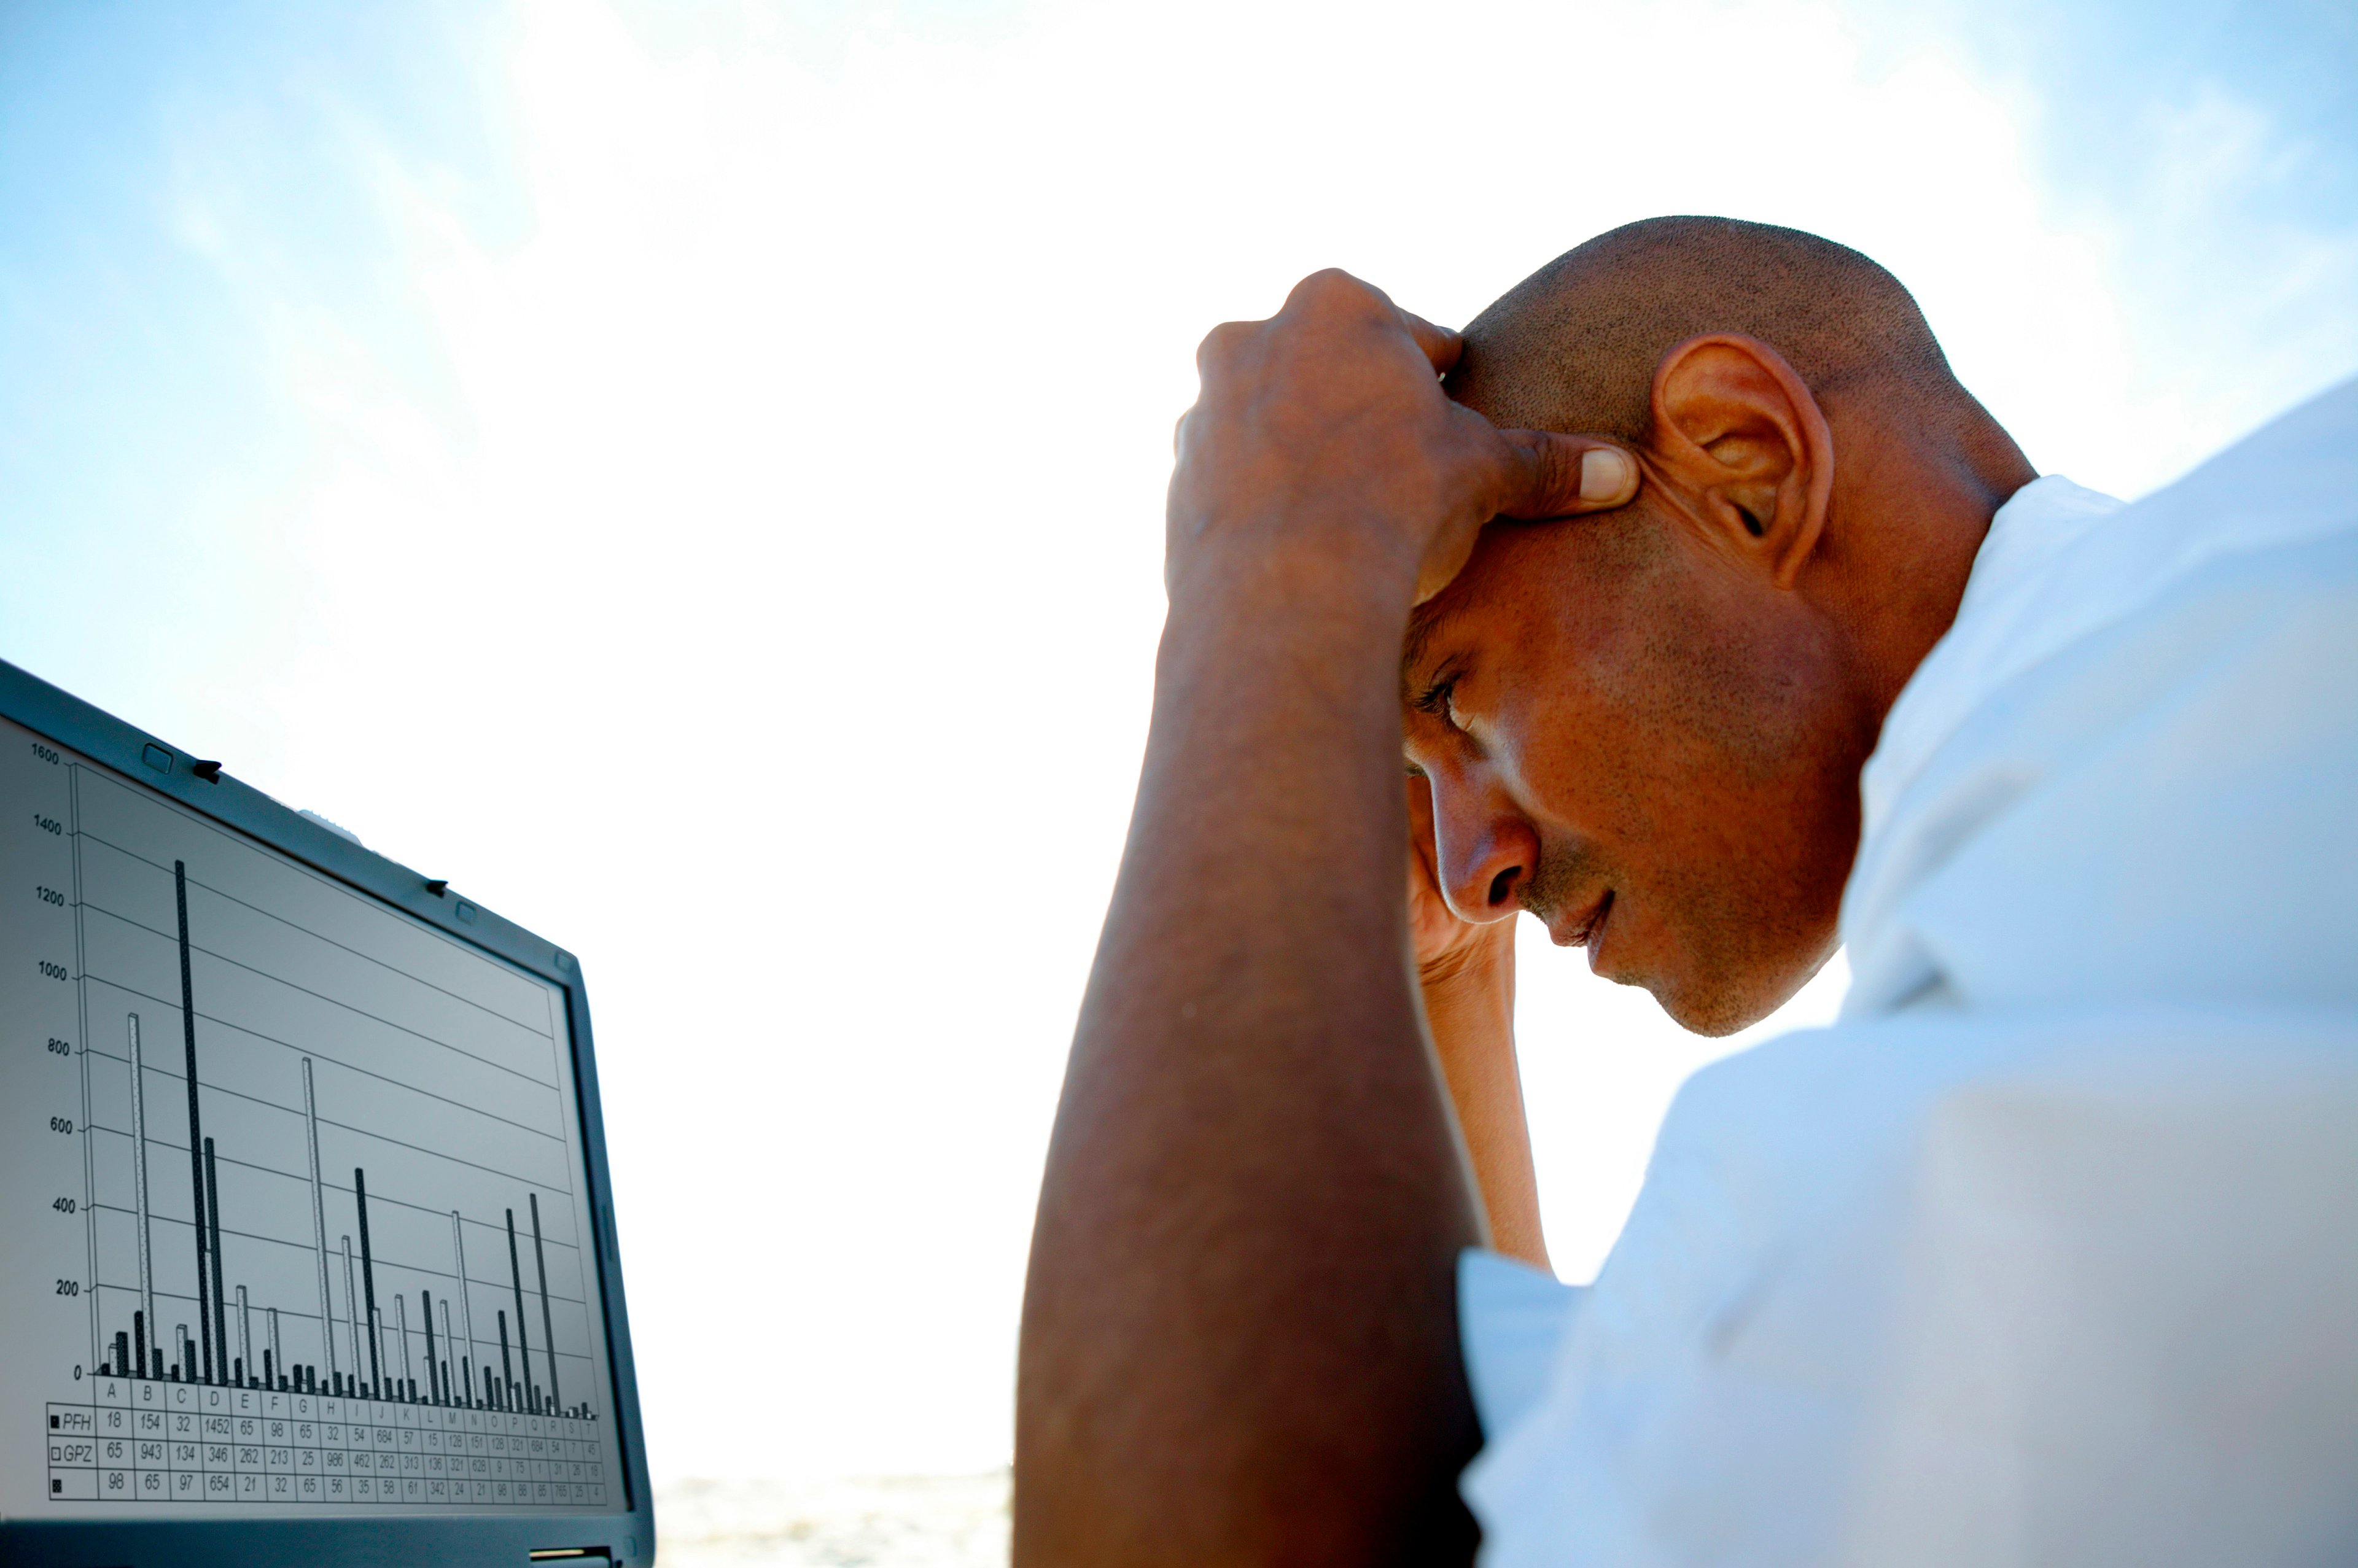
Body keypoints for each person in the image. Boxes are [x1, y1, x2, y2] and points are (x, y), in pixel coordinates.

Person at [1014, 217, 2358, 1566]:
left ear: (1746, 467)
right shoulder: (2168, 752)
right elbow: (1546, 1482)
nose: (1474, 865)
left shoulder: (2103, 887)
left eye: (1455, 697)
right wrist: (1448, 972)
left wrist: (1270, 575)